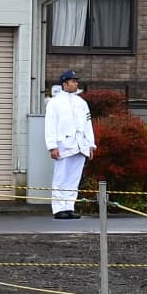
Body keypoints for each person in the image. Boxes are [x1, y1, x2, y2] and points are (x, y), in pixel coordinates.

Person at [44, 69, 96, 219]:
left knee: (74, 179)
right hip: (63, 145)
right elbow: (50, 125)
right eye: (73, 81)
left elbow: (88, 124)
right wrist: (52, 146)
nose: (76, 84)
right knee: (61, 178)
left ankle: (69, 207)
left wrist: (90, 144)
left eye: (76, 81)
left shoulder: (81, 103)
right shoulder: (55, 103)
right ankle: (59, 208)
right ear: (64, 83)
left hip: (80, 146)